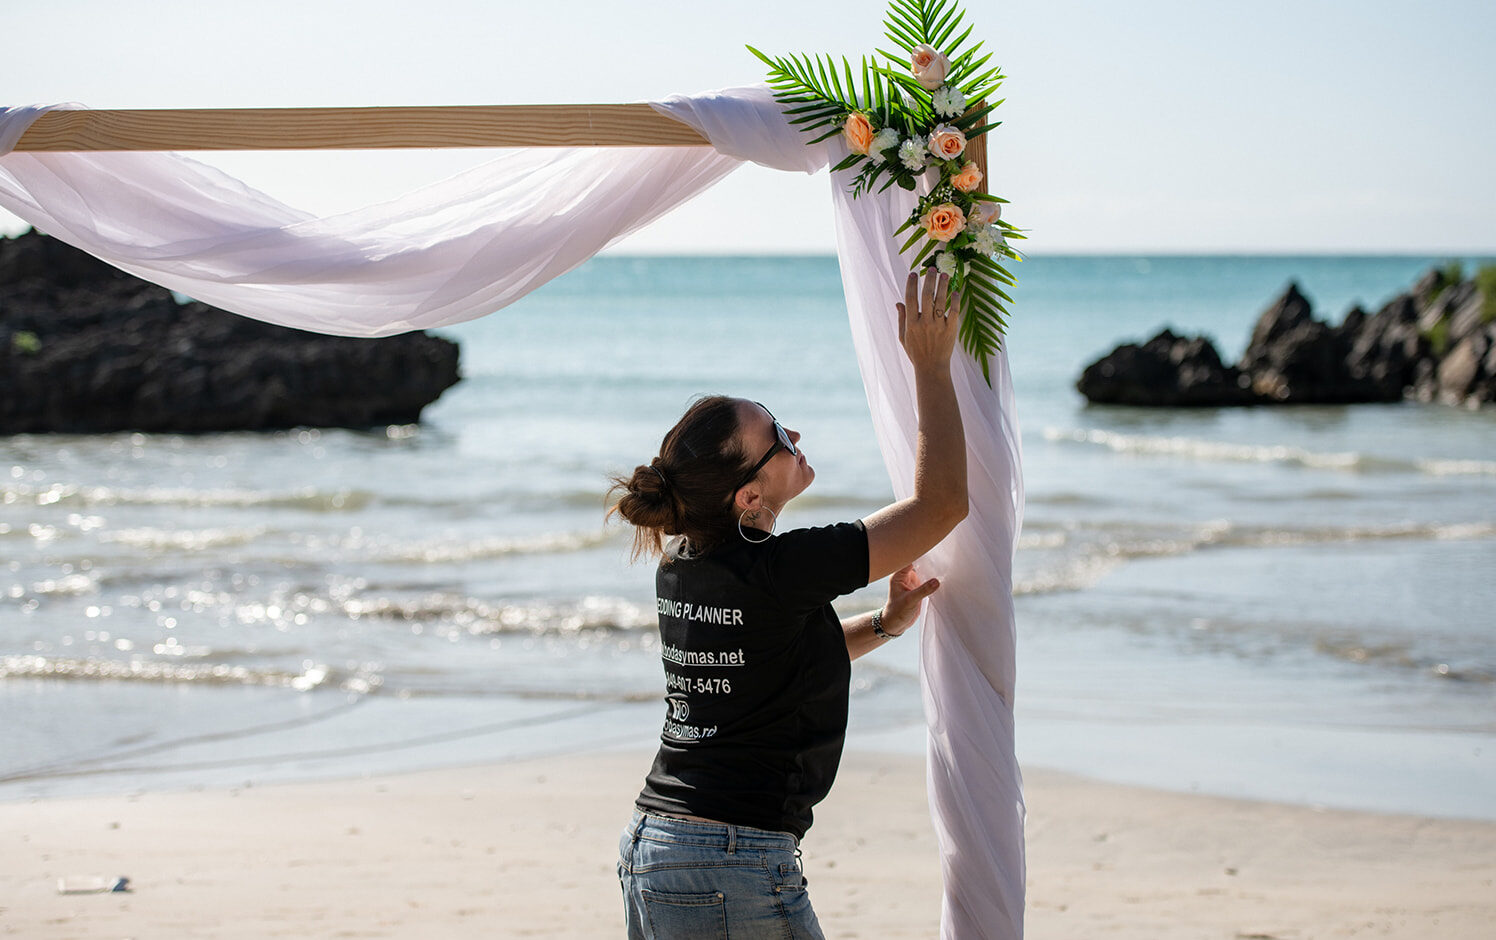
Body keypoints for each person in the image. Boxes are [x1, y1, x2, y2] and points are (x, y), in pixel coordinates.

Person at [609, 270, 968, 939]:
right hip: (728, 860)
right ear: (748, 496)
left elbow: (772, 663)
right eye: (776, 432)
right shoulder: (785, 567)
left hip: (656, 848)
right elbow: (943, 504)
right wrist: (931, 366)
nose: (793, 431)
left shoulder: (681, 565)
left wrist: (886, 625)